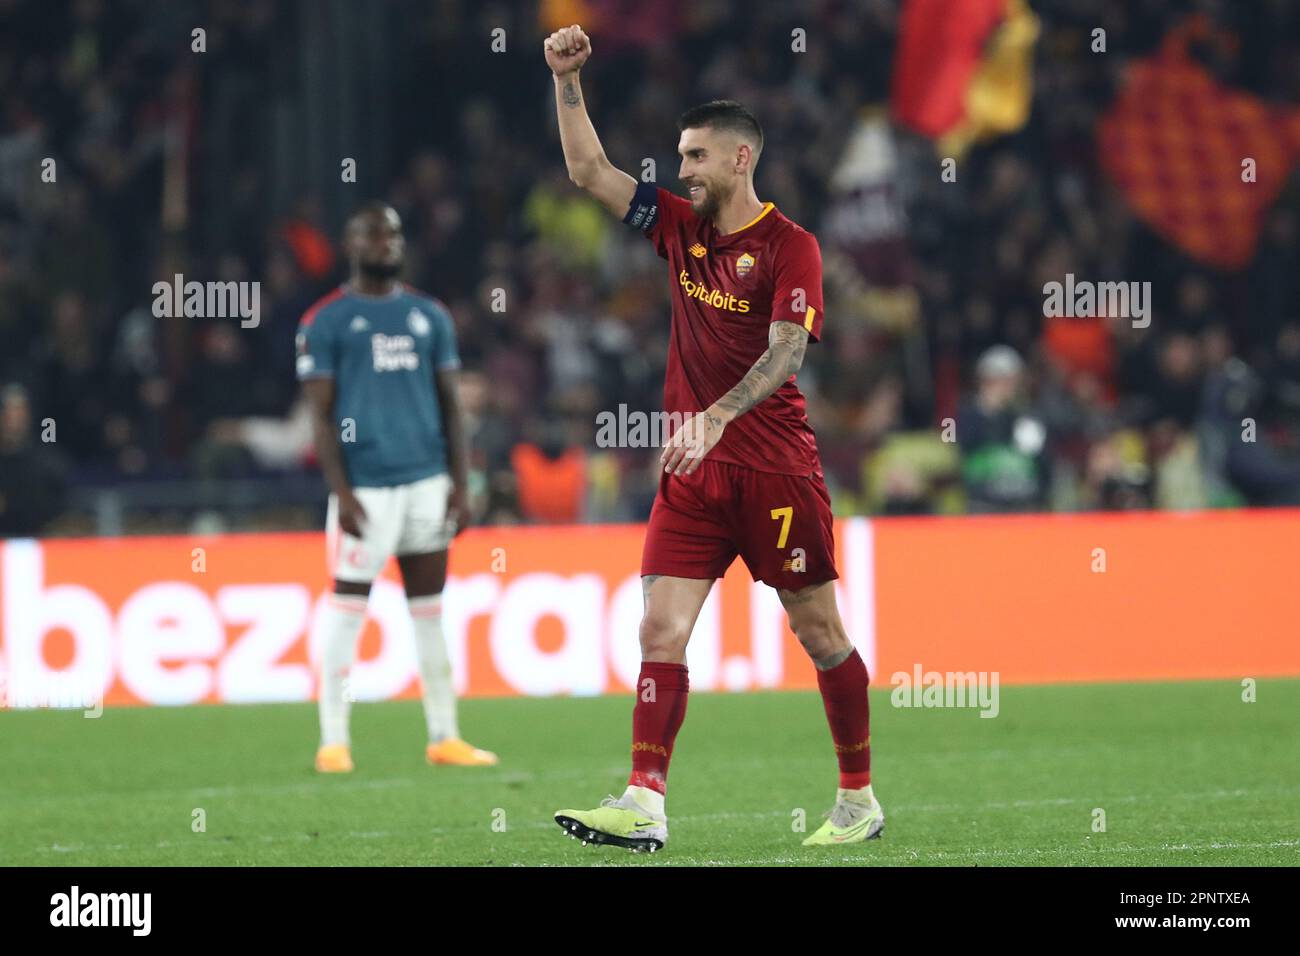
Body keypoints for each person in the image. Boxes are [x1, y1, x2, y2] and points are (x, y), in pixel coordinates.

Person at [544, 25, 881, 851]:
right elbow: (590, 170)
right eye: (678, 156)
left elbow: (789, 349)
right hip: (693, 474)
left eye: (694, 156)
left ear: (738, 160)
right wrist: (566, 80)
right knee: (660, 631)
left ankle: (857, 799)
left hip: (773, 472)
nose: (680, 170)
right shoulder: (678, 227)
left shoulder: (789, 246)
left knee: (819, 633)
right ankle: (644, 801)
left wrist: (721, 413)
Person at [296, 202, 497, 773]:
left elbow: (451, 409)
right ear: (350, 244)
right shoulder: (326, 321)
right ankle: (333, 739)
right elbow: (320, 417)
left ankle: (444, 735)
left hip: (427, 484)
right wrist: (342, 491)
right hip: (367, 489)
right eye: (373, 234)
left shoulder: (429, 316)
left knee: (430, 611)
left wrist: (461, 485)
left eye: (394, 233)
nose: (386, 242)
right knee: (346, 609)